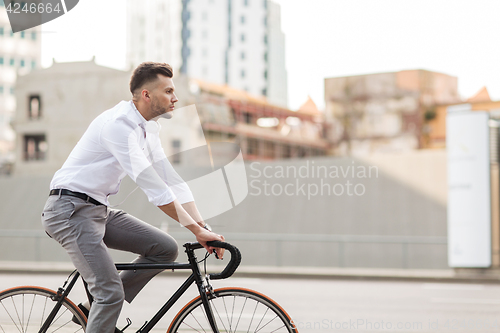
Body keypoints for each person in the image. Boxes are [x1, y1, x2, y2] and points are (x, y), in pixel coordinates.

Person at [41, 62, 224, 333]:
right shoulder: (119, 127)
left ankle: (95, 309)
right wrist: (196, 230)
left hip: (97, 209)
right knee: (109, 292)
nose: (175, 98)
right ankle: (104, 301)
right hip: (68, 210)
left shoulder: (149, 130)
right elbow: (156, 190)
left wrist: (203, 227)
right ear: (146, 95)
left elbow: (174, 183)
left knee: (165, 248)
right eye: (169, 91)